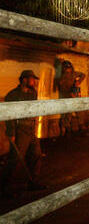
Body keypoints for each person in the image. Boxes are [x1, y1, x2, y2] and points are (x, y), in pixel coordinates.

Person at [1, 70, 47, 198]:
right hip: (20, 129)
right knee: (15, 158)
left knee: (36, 155)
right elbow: (9, 115)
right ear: (25, 80)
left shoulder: (33, 93)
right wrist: (11, 132)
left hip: (31, 129)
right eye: (32, 79)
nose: (34, 82)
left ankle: (33, 182)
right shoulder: (13, 95)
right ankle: (4, 188)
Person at [58, 60, 85, 137]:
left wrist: (78, 82)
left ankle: (81, 128)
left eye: (69, 68)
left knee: (79, 112)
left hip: (75, 96)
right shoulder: (62, 78)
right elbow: (62, 89)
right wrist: (69, 94)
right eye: (66, 68)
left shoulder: (74, 74)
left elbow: (83, 75)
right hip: (67, 97)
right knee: (68, 113)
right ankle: (67, 130)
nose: (68, 70)